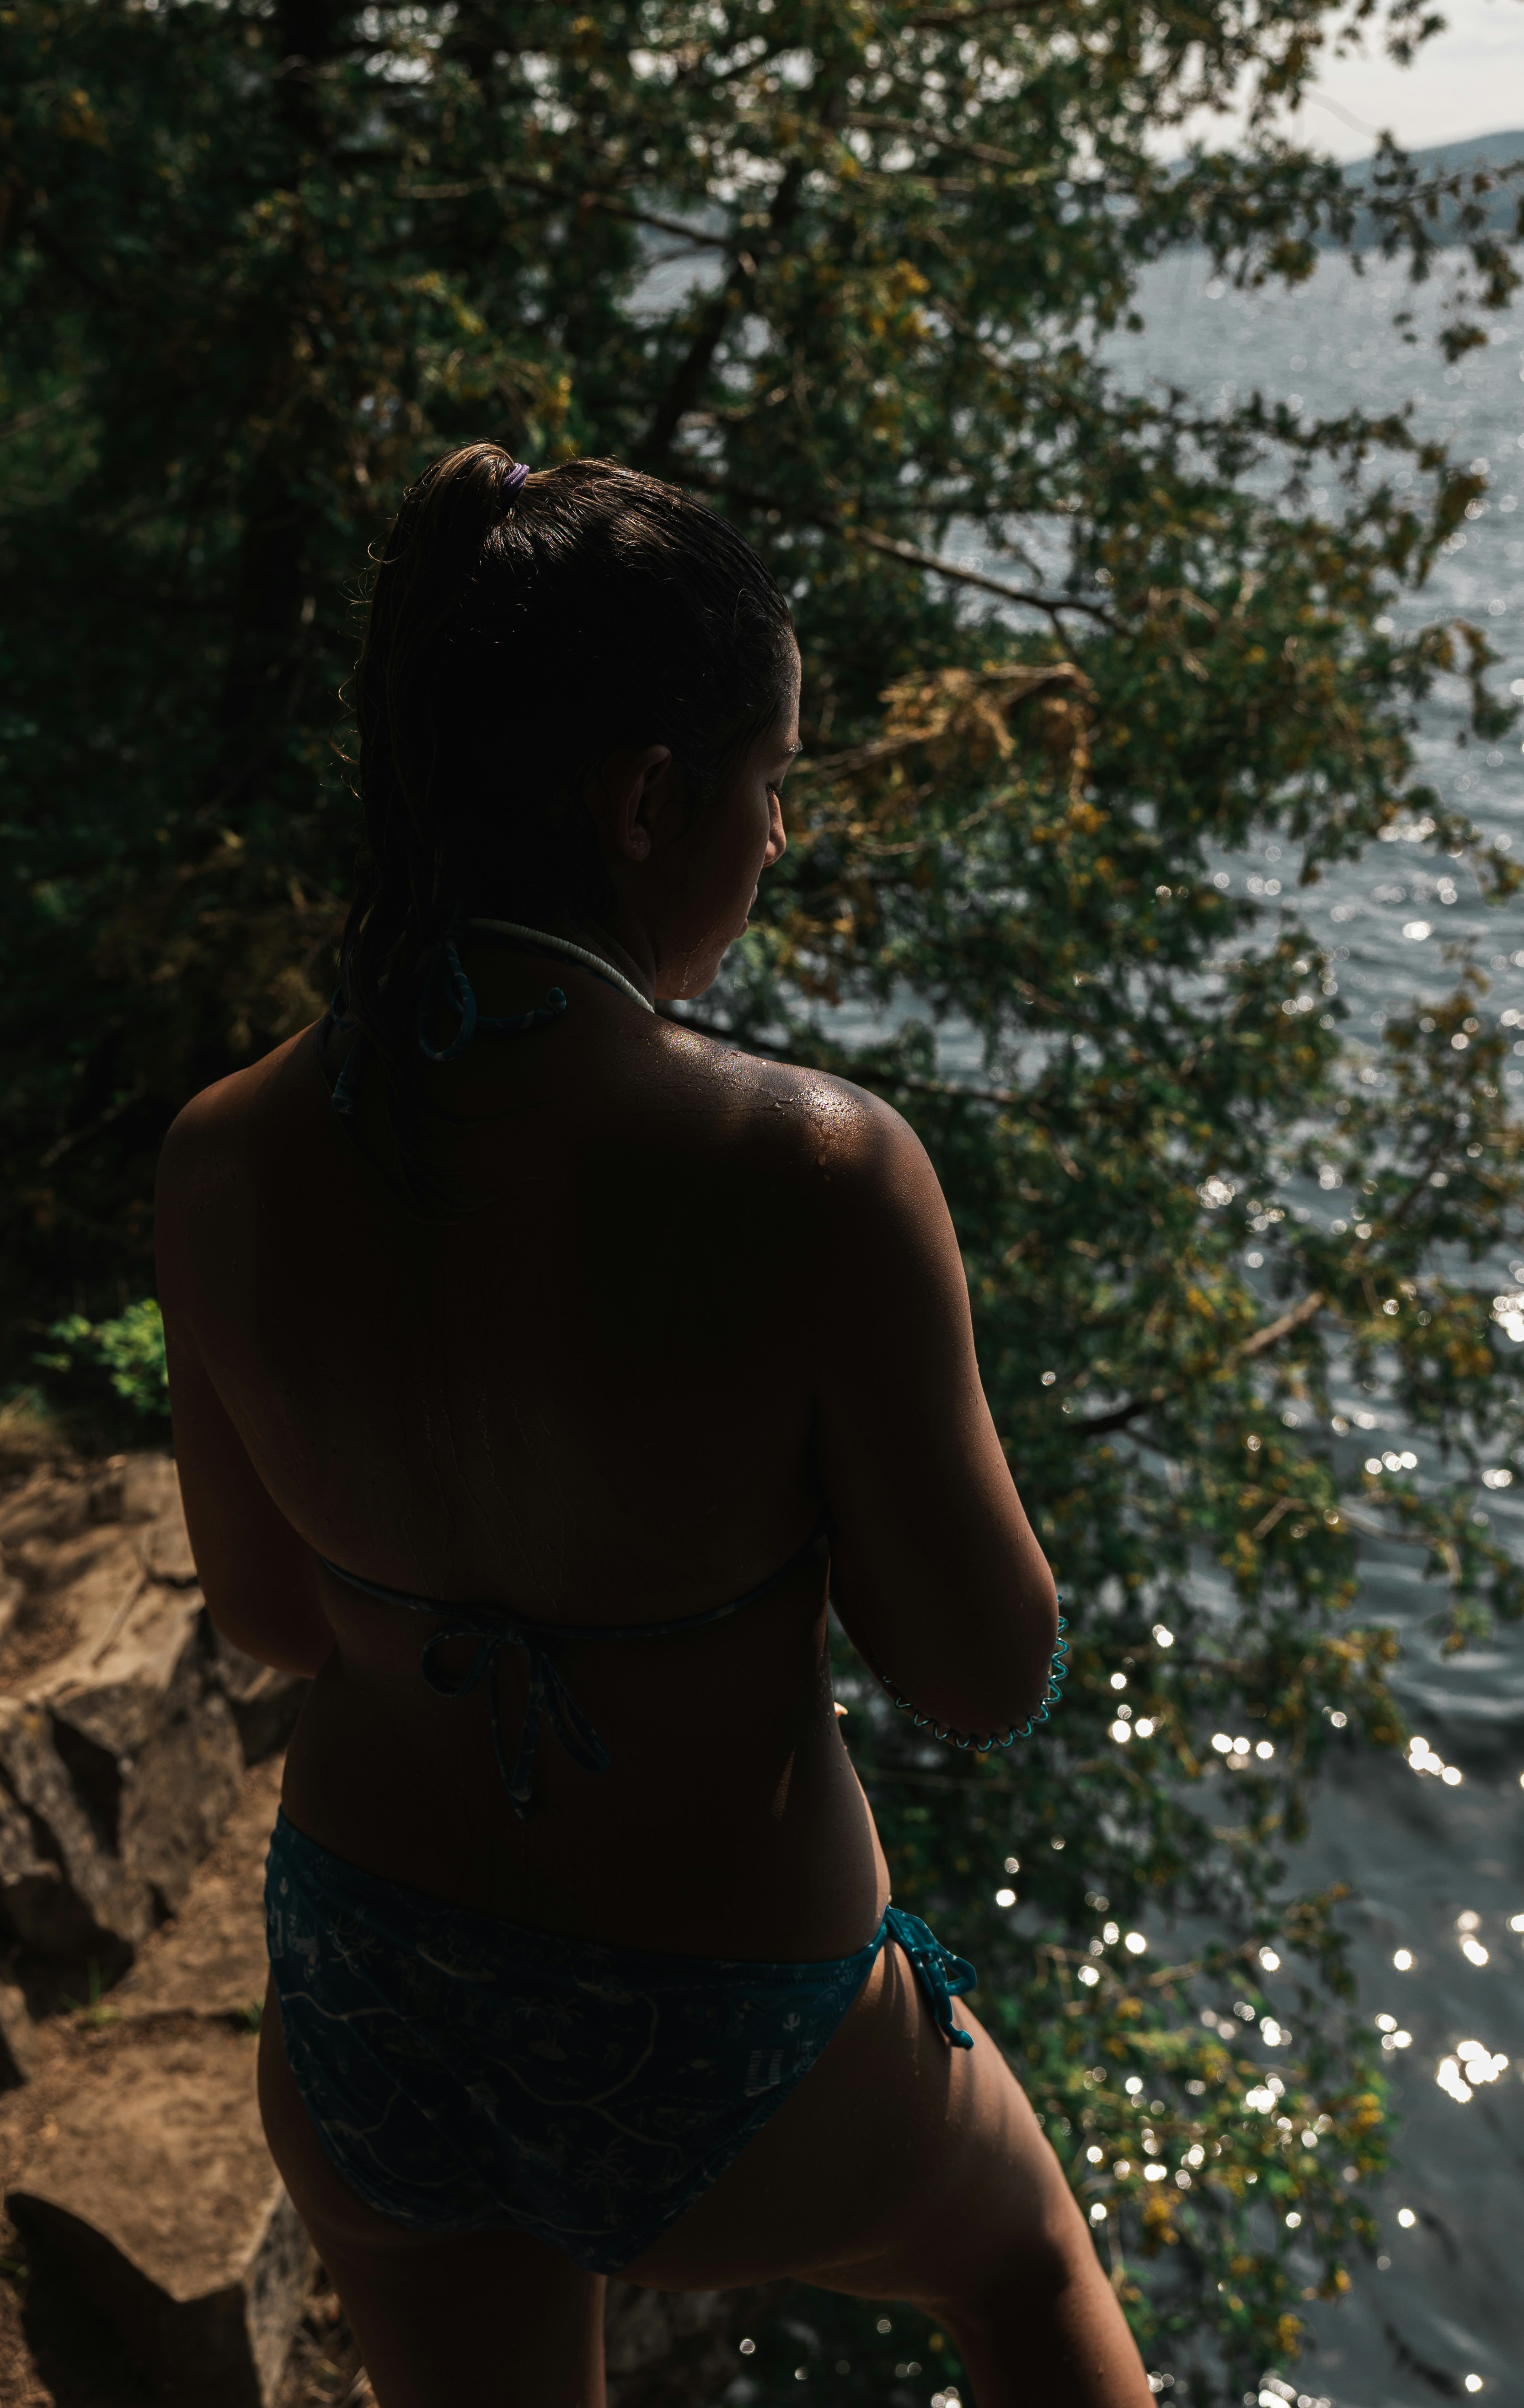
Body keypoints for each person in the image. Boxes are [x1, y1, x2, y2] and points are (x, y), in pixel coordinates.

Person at [155, 444, 1153, 2408]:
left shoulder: (224, 1154)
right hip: (736, 2038)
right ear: (645, 800)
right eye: (773, 783)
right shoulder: (816, 1169)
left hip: (377, 1995)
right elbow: (984, 1674)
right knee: (1028, 2273)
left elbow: (273, 1617)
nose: (776, 839)